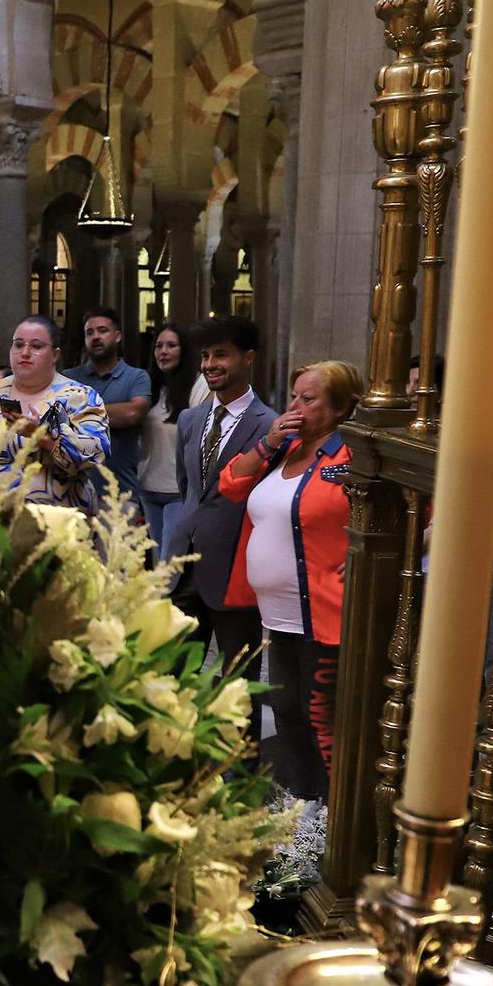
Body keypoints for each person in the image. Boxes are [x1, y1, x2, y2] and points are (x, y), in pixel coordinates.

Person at [216, 361, 363, 801]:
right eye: (294, 396)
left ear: (339, 408)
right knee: (286, 710)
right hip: (276, 612)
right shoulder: (283, 447)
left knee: (321, 714)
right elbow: (230, 485)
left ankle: (340, 812)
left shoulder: (352, 454)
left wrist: (369, 558)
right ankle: (306, 802)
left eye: (308, 398)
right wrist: (267, 442)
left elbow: (421, 514)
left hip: (325, 608)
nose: (294, 406)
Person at [165, 315, 276, 672]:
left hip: (235, 570)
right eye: (206, 356)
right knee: (175, 675)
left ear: (248, 357)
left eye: (221, 355)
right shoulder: (190, 419)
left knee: (239, 680)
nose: (210, 365)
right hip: (185, 564)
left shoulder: (270, 425)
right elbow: (188, 488)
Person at [0, 315, 112, 510]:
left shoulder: (79, 396)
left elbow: (96, 454)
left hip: (58, 522)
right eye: (18, 345)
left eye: (36, 346)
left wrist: (43, 438)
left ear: (55, 355)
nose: (25, 352)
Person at [62, 306, 153, 511]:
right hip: (71, 494)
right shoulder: (69, 378)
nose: (95, 337)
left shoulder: (136, 377)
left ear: (117, 336)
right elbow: (56, 420)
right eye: (89, 332)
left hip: (120, 495)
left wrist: (77, 412)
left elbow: (133, 413)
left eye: (102, 331)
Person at [138, 320, 206, 551]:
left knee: (170, 564)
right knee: (157, 562)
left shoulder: (199, 387)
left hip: (179, 491)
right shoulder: (150, 387)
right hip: (147, 487)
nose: (163, 351)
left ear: (184, 351)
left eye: (171, 346)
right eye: (159, 346)